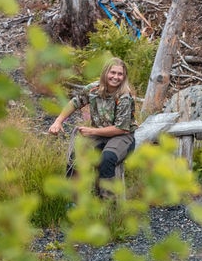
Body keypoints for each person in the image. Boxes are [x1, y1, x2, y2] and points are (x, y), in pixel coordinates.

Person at [48, 58, 137, 196]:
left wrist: (92, 131)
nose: (116, 77)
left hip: (122, 137)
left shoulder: (125, 96)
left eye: (120, 74)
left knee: (107, 158)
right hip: (99, 135)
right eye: (112, 72)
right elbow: (75, 102)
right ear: (105, 72)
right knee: (75, 156)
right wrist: (58, 121)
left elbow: (121, 128)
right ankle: (73, 200)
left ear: (124, 77)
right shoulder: (93, 89)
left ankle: (107, 205)